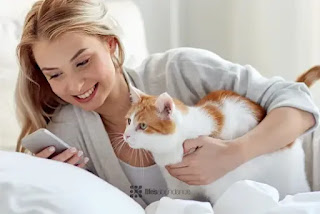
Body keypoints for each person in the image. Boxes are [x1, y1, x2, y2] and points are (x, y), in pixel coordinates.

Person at [15, 0, 319, 208]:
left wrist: (234, 154)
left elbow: (299, 104)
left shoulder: (180, 70)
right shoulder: (67, 134)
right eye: (55, 74)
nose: (75, 86)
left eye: (82, 61)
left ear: (110, 45)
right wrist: (51, 182)